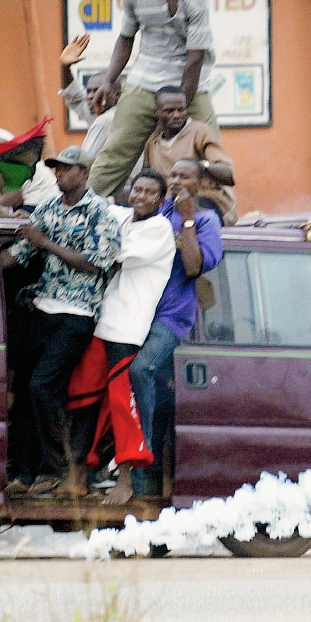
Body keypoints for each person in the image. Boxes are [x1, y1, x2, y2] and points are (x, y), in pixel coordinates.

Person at [0, 145, 122, 495]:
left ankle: (58, 468)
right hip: (42, 307)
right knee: (22, 390)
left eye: (66, 169)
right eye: (55, 169)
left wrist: (46, 243)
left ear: (84, 173)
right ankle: (25, 474)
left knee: (43, 387)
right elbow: (21, 253)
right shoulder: (49, 209)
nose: (59, 174)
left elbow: (95, 264)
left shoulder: (102, 213)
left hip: (77, 315)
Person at [57, 169, 176, 503]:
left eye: (149, 192)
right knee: (83, 394)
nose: (140, 196)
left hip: (128, 327)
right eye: (136, 189)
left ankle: (126, 482)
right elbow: (93, 205)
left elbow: (111, 257)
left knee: (123, 405)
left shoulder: (159, 229)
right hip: (103, 322)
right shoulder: (126, 218)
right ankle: (78, 475)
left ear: (161, 199)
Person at [88, 0, 219, 200]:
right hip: (146, 78)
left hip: (191, 80)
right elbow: (125, 39)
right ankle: (85, 207)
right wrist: (109, 80)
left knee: (211, 149)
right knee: (117, 149)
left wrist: (177, 109)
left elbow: (195, 57)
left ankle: (223, 217)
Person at [130, 158, 223, 497]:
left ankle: (145, 467)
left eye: (185, 176)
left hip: (172, 317)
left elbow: (195, 268)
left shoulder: (205, 220)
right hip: (138, 313)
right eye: (173, 175)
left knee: (141, 370)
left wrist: (186, 219)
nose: (176, 181)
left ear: (200, 184)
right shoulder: (157, 210)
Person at [143, 87, 237, 224]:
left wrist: (201, 166)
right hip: (168, 205)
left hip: (203, 201)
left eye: (181, 110)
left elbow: (228, 175)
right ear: (157, 113)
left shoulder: (199, 132)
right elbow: (148, 178)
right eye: (169, 111)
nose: (177, 115)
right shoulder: (153, 143)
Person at [58, 33, 124, 167]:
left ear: (117, 95)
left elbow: (83, 164)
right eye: (89, 91)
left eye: (97, 91)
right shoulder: (97, 112)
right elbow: (74, 96)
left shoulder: (109, 118)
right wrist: (65, 66)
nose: (90, 96)